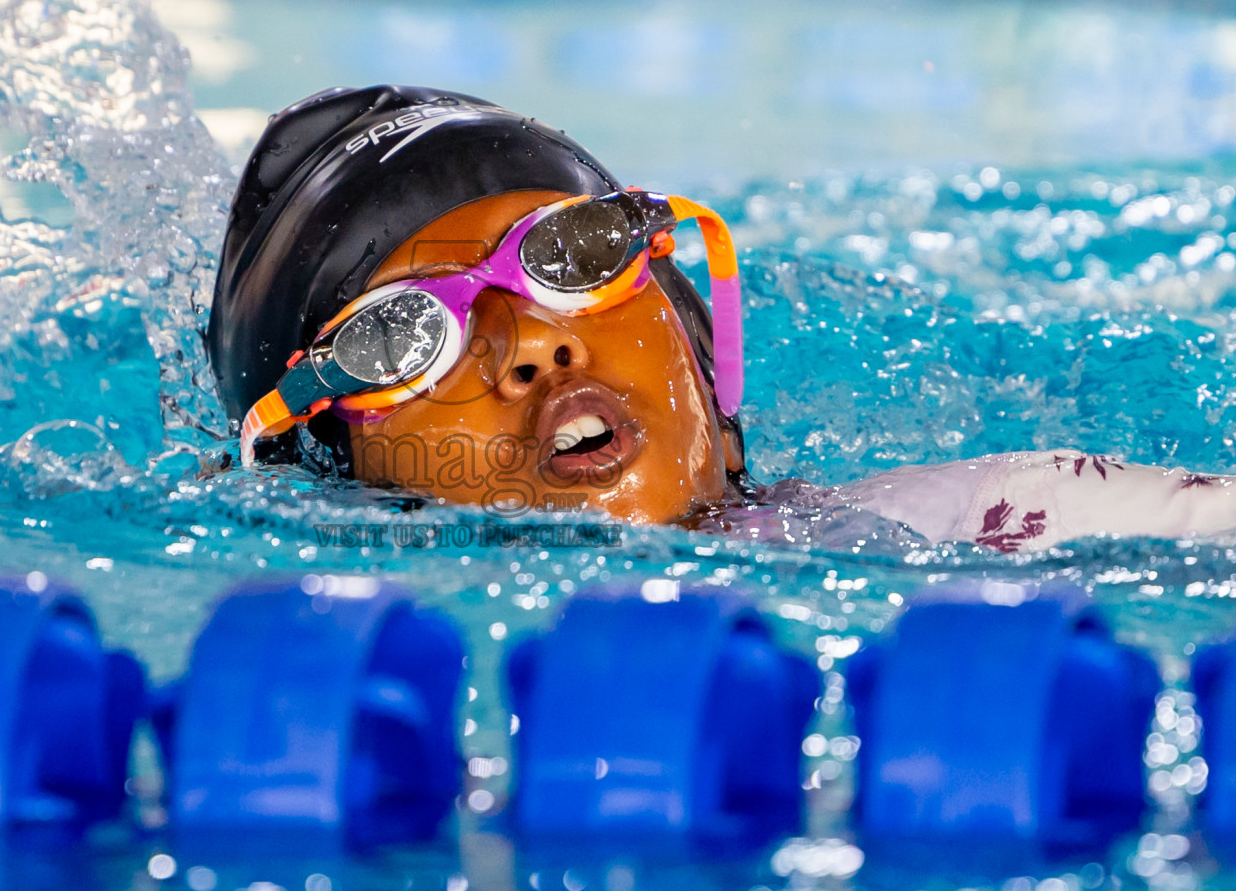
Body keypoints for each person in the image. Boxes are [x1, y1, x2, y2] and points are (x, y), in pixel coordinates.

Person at [206, 85, 1236, 553]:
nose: (529, 341)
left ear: (703, 359)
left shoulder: (1006, 520)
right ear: (331, 481)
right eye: (402, 336)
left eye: (574, 257)